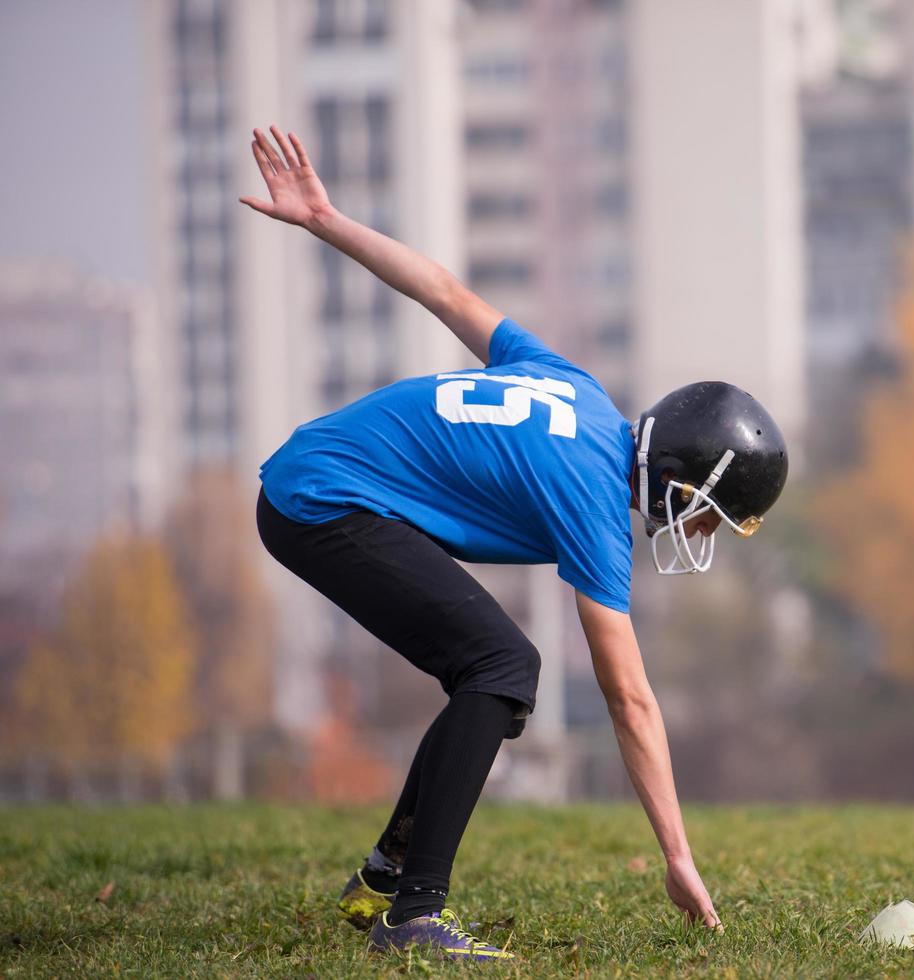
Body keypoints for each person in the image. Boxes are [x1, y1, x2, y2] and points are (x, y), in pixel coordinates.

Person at [243, 126, 788, 962]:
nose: (706, 531)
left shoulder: (581, 392)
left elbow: (446, 292)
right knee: (503, 668)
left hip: (315, 473)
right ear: (685, 479)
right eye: (714, 511)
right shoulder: (594, 502)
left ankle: (386, 879)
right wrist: (677, 857)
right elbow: (630, 700)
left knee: (489, 666)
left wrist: (327, 220)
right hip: (320, 500)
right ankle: (411, 916)